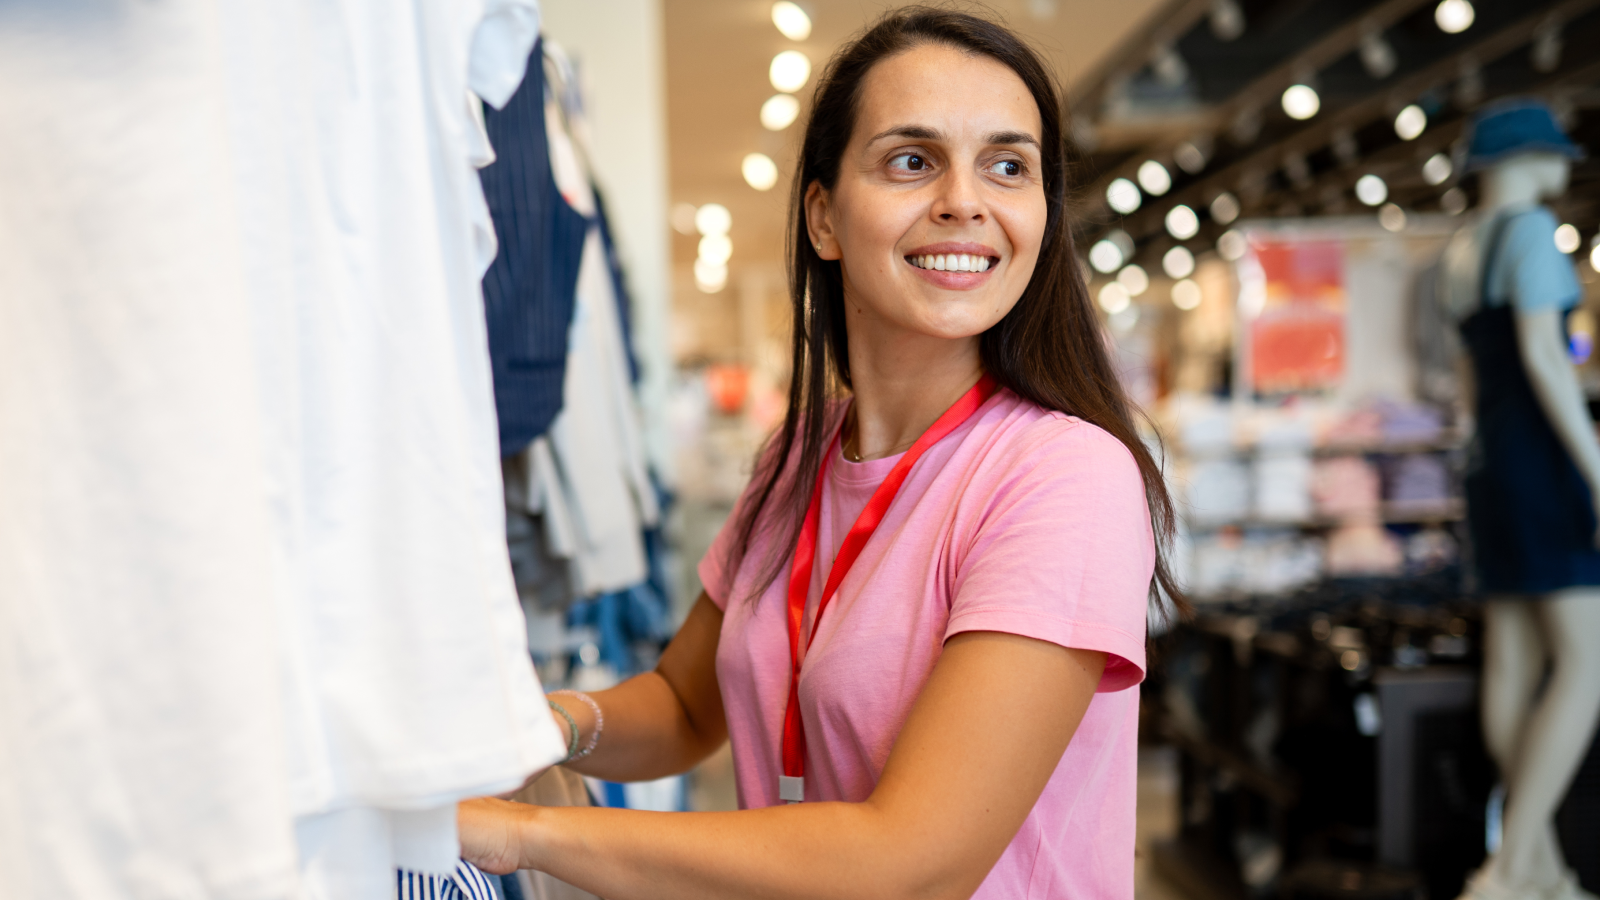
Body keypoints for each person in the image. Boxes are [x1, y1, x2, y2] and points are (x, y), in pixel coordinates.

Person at [459, 8, 1182, 898]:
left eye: (1007, 165)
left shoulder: (1064, 479)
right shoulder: (796, 456)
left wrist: (521, 833)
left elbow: (910, 863)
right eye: (913, 161)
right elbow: (687, 707)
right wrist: (543, 725)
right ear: (824, 217)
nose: (965, 200)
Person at [1441, 99, 1600, 900]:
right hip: (1540, 459)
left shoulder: (1460, 251)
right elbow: (1545, 356)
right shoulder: (1532, 233)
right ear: (1520, 161)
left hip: (1490, 463)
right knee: (1587, 660)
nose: (1564, 167)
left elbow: (1472, 383)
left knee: (1515, 659)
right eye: (1553, 155)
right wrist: (1597, 465)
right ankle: (1509, 868)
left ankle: (1539, 865)